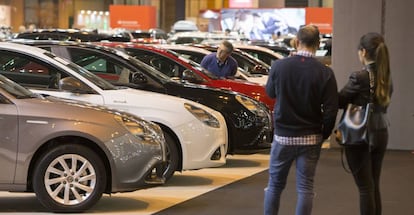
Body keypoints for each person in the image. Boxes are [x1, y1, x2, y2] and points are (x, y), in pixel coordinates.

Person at [264, 25, 338, 215]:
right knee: (305, 188)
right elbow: (331, 110)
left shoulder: (279, 66)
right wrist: (324, 134)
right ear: (318, 43)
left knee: (274, 186)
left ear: (297, 41)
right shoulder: (325, 72)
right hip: (311, 137)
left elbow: (270, 93)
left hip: (283, 137)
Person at [338, 32, 392, 215]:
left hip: (360, 134)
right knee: (373, 184)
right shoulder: (387, 78)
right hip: (381, 131)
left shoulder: (359, 77)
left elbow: (340, 100)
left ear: (363, 52)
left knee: (364, 187)